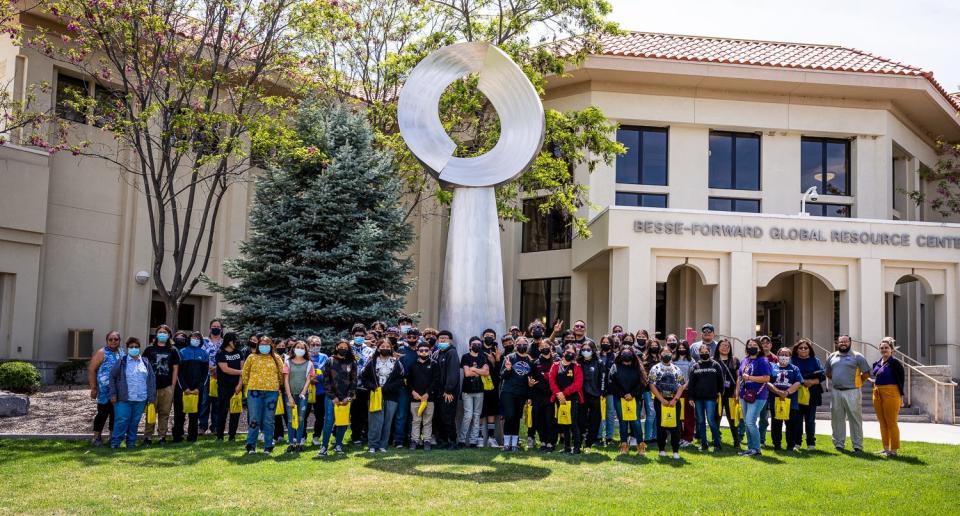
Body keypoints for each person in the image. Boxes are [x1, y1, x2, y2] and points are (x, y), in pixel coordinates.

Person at [108, 337, 157, 449]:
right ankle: (115, 443)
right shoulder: (122, 361)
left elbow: (151, 380)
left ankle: (131, 443)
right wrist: (113, 394)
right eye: (131, 347)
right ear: (127, 348)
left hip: (141, 398)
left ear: (139, 348)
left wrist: (151, 397)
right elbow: (112, 377)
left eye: (136, 347)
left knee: (134, 422)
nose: (134, 349)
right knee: (122, 421)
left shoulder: (145, 362)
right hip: (123, 399)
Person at [239, 336, 284, 454]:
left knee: (269, 419)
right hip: (254, 392)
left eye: (267, 344)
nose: (264, 346)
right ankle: (251, 445)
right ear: (258, 345)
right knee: (254, 418)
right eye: (262, 344)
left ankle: (268, 445)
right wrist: (249, 384)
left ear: (271, 346)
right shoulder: (252, 357)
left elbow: (281, 374)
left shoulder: (276, 358)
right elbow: (245, 373)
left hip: (272, 392)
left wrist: (277, 385)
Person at [826, 334, 871, 452]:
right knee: (837, 419)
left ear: (850, 342)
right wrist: (838, 380)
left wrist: (857, 382)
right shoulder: (832, 356)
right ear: (837, 343)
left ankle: (857, 445)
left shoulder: (857, 356)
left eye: (845, 341)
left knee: (855, 419)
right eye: (841, 342)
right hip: (836, 391)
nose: (843, 344)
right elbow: (828, 373)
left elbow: (866, 373)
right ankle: (839, 444)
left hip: (853, 392)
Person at [362, 338, 404, 453]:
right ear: (378, 348)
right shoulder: (372, 361)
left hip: (391, 396)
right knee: (375, 421)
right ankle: (372, 444)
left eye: (387, 347)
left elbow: (400, 380)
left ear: (391, 348)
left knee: (387, 421)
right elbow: (364, 378)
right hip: (375, 395)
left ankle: (382, 444)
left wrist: (387, 388)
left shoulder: (396, 362)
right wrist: (373, 387)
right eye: (382, 346)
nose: (385, 348)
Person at [317, 340, 357, 456]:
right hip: (331, 398)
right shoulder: (330, 361)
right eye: (341, 347)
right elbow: (325, 380)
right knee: (329, 421)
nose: (343, 349)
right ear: (336, 347)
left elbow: (354, 381)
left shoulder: (352, 362)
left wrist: (348, 397)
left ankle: (339, 445)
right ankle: (324, 446)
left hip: (345, 398)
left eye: (345, 347)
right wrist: (332, 396)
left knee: (342, 422)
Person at [142, 325, 180, 444]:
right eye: (160, 332)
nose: (162, 334)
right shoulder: (149, 349)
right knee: (151, 412)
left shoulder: (173, 350)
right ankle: (148, 437)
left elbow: (175, 369)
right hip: (152, 387)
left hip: (167, 386)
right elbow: (143, 366)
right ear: (156, 334)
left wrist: (173, 386)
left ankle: (162, 436)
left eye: (165, 332)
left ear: (169, 335)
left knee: (164, 413)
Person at [648, 346, 686, 459]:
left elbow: (681, 385)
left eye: (668, 352)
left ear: (672, 354)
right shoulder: (655, 368)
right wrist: (662, 399)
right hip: (660, 400)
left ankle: (675, 450)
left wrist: (675, 400)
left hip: (674, 401)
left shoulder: (676, 369)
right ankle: (661, 449)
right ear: (660, 355)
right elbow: (651, 385)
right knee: (661, 425)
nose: (666, 354)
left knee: (676, 426)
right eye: (664, 352)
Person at [736, 338, 772, 457]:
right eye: (749, 345)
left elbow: (767, 378)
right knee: (747, 422)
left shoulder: (763, 360)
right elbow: (740, 377)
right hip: (743, 394)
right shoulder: (745, 360)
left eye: (754, 345)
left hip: (758, 395)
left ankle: (756, 448)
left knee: (751, 422)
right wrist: (737, 392)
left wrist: (750, 378)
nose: (751, 346)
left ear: (759, 347)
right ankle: (750, 448)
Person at [871, 337, 905, 456]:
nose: (884, 350)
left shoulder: (895, 363)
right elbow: (877, 375)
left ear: (892, 350)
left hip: (891, 393)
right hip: (877, 393)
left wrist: (901, 397)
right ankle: (885, 448)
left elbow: (901, 381)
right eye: (882, 348)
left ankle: (894, 450)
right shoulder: (877, 362)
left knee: (891, 422)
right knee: (882, 422)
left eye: (886, 348)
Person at [608, 345, 646, 454]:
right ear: (620, 354)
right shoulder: (615, 366)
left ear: (632, 355)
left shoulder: (638, 367)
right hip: (620, 398)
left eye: (628, 353)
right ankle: (624, 445)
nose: (626, 355)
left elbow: (642, 383)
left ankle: (641, 445)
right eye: (624, 353)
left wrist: (632, 394)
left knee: (636, 422)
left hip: (634, 399)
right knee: (623, 422)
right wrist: (623, 394)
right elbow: (611, 383)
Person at [173, 330, 209, 443]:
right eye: (193, 337)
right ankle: (177, 436)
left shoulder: (204, 354)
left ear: (201, 341)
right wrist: (185, 388)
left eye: (198, 338)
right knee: (180, 413)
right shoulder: (182, 352)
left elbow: (205, 374)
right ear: (190, 339)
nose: (195, 340)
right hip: (183, 389)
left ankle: (192, 437)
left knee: (195, 414)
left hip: (197, 390)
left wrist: (199, 388)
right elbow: (179, 373)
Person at [88, 330, 123, 447]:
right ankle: (96, 438)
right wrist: (93, 388)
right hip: (104, 391)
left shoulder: (122, 352)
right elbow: (92, 369)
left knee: (115, 414)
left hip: (118, 391)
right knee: (102, 414)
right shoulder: (102, 352)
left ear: (119, 340)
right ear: (107, 341)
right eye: (110, 339)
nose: (113, 341)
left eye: (116, 339)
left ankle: (112, 437)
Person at [548, 343, 584, 454]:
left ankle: (577, 447)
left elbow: (578, 384)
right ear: (563, 352)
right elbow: (551, 380)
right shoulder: (555, 365)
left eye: (572, 353)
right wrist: (558, 394)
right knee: (564, 422)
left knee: (573, 422)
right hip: (559, 399)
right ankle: (567, 447)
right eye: (568, 352)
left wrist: (564, 393)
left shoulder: (576, 367)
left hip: (572, 398)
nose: (570, 354)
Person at [688, 344, 724, 452]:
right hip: (698, 399)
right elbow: (691, 384)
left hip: (711, 398)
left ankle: (717, 443)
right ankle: (704, 444)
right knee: (700, 421)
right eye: (702, 352)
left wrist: (720, 394)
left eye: (706, 351)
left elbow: (721, 382)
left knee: (711, 420)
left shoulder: (715, 365)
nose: (704, 354)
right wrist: (690, 397)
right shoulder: (695, 366)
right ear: (699, 354)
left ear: (710, 352)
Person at [500, 336, 533, 452]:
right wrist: (508, 369)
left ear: (527, 346)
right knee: (509, 416)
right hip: (508, 392)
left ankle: (514, 444)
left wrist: (529, 394)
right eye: (520, 344)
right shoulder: (510, 357)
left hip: (522, 393)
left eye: (525, 344)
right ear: (516, 345)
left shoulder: (530, 360)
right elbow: (502, 376)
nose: (522, 346)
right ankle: (506, 444)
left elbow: (530, 379)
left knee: (516, 418)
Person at [791, 339, 825, 450]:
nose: (804, 349)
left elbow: (823, 375)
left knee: (810, 420)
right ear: (797, 350)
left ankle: (811, 443)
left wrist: (811, 382)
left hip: (812, 394)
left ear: (810, 350)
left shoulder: (815, 360)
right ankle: (797, 443)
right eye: (801, 348)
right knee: (797, 420)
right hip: (796, 394)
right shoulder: (792, 361)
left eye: (806, 348)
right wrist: (802, 381)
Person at [768, 347, 803, 451]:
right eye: (781, 354)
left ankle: (790, 446)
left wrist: (787, 392)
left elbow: (798, 382)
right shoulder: (772, 367)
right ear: (777, 355)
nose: (784, 357)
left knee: (791, 424)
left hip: (791, 401)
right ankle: (777, 445)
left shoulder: (794, 368)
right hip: (775, 399)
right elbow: (767, 381)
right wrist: (777, 391)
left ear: (790, 357)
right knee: (776, 424)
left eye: (786, 355)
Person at [283, 340, 315, 453]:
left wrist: (303, 392)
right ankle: (291, 443)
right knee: (291, 420)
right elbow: (286, 380)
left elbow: (309, 379)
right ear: (293, 349)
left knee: (301, 419)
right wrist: (289, 396)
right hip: (290, 395)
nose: (299, 349)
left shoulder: (309, 363)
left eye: (302, 348)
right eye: (297, 347)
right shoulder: (287, 362)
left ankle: (299, 443)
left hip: (302, 396)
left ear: (305, 350)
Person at [408, 341, 440, 451]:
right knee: (416, 421)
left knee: (427, 421)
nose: (424, 352)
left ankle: (427, 441)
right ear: (417, 352)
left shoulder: (434, 364)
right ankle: (414, 441)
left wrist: (428, 393)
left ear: (430, 351)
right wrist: (413, 392)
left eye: (426, 350)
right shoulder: (413, 365)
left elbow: (436, 380)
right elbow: (408, 381)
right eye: (421, 350)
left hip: (429, 399)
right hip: (415, 398)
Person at [458, 336, 490, 448]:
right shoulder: (465, 357)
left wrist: (474, 369)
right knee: (468, 415)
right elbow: (467, 373)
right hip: (467, 391)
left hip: (480, 391)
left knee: (477, 416)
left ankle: (473, 441)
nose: (477, 346)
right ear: (470, 345)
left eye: (479, 344)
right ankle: (461, 440)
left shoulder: (483, 357)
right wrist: (480, 371)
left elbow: (486, 373)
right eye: (474, 344)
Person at [432, 330, 461, 449]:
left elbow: (453, 373)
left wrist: (448, 390)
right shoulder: (436, 353)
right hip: (437, 392)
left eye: (445, 338)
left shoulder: (452, 353)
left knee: (448, 417)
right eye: (440, 338)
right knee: (438, 417)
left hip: (448, 393)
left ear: (450, 340)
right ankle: (442, 441)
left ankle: (452, 441)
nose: (442, 340)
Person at [713, 338, 742, 449]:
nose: (725, 347)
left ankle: (736, 441)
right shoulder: (713, 360)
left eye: (727, 346)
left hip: (731, 395)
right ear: (718, 347)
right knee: (716, 418)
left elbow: (738, 378)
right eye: (723, 345)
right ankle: (716, 441)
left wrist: (737, 392)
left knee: (732, 418)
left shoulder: (734, 360)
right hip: (717, 395)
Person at [392, 327, 419, 448]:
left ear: (418, 337)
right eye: (409, 337)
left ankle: (411, 438)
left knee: (414, 415)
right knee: (401, 414)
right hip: (403, 387)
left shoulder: (421, 350)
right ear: (406, 337)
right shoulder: (401, 350)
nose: (412, 339)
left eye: (414, 337)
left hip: (417, 388)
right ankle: (398, 440)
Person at [214, 332, 243, 441]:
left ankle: (232, 436)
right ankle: (220, 435)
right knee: (222, 411)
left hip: (237, 387)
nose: (237, 342)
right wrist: (241, 372)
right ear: (228, 340)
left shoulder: (239, 353)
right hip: (224, 387)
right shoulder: (221, 353)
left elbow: (243, 370)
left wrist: (240, 385)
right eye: (235, 340)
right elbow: (225, 369)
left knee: (235, 412)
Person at [530, 338, 557, 452]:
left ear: (551, 347)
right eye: (542, 347)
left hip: (551, 395)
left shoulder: (556, 361)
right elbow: (531, 379)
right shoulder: (536, 363)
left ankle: (551, 442)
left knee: (550, 419)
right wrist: (530, 384)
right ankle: (543, 442)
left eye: (546, 346)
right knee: (539, 419)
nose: (544, 348)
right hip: (538, 395)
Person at [198, 319, 224, 434]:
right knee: (204, 402)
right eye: (214, 326)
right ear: (210, 328)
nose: (216, 328)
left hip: (220, 377)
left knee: (217, 403)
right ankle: (202, 426)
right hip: (205, 376)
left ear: (221, 329)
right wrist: (209, 367)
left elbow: (226, 357)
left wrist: (217, 368)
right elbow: (199, 355)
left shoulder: (224, 343)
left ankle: (216, 426)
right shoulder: (203, 342)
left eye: (218, 326)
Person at [349, 324, 373, 445]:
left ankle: (363, 435)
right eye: (357, 335)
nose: (359, 337)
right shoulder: (347, 347)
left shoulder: (369, 350)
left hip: (364, 386)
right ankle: (354, 436)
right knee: (352, 412)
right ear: (352, 335)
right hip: (349, 386)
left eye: (362, 335)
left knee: (363, 412)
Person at [576, 341, 603, 450]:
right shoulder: (578, 362)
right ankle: (579, 440)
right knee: (580, 420)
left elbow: (602, 378)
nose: (586, 352)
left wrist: (601, 391)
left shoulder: (599, 362)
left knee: (595, 420)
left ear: (593, 350)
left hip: (595, 396)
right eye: (584, 350)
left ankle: (589, 443)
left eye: (588, 349)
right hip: (581, 396)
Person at [479, 333, 503, 448]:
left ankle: (491, 437)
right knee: (481, 412)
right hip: (480, 385)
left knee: (492, 411)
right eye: (487, 335)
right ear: (483, 337)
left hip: (493, 386)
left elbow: (499, 372)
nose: (489, 337)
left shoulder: (496, 350)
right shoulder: (479, 350)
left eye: (492, 336)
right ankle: (479, 436)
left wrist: (495, 360)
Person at [673, 341, 695, 447]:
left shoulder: (691, 361)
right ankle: (680, 436)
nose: (681, 349)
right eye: (679, 348)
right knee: (678, 415)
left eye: (683, 347)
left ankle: (688, 437)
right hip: (676, 391)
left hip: (687, 391)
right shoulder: (673, 360)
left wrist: (684, 386)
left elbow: (692, 376)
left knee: (688, 415)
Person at [598, 334, 618, 446]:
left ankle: (609, 437)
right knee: (599, 413)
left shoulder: (615, 357)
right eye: (603, 342)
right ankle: (599, 436)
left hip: (610, 389)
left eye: (607, 342)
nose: (605, 344)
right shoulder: (597, 356)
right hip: (598, 389)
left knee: (610, 413)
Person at [641, 338, 662, 444]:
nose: (654, 347)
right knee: (651, 413)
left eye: (656, 345)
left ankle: (655, 436)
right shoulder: (645, 359)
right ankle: (648, 437)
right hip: (648, 390)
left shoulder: (661, 358)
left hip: (660, 390)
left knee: (658, 413)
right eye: (652, 345)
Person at [757, 335, 778, 446]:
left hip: (771, 392)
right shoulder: (755, 357)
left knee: (764, 418)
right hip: (757, 391)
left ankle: (762, 439)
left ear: (771, 345)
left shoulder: (775, 359)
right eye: (763, 342)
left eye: (767, 342)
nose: (765, 344)